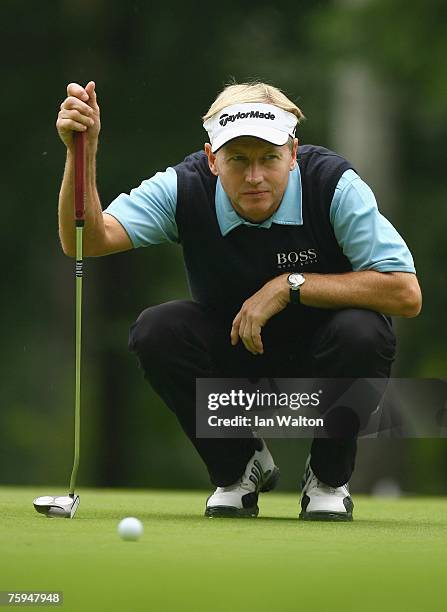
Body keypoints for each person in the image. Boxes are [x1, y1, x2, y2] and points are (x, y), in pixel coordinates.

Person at [56, 80, 422, 521]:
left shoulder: (334, 185)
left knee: (363, 331)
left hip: (329, 362)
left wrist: (290, 285)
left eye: (269, 158)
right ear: (212, 159)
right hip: (233, 363)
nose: (254, 177)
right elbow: (88, 241)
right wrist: (83, 151)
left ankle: (328, 477)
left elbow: (404, 291)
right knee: (157, 329)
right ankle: (238, 468)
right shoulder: (183, 186)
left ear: (292, 153)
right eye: (237, 160)